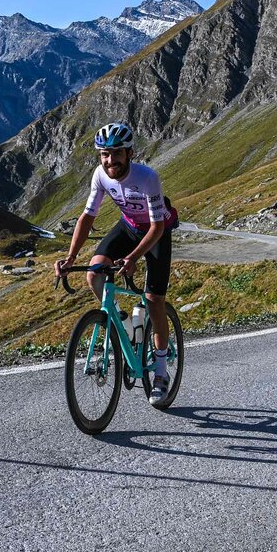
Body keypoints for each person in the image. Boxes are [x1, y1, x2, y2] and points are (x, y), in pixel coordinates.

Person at [55, 121, 177, 405]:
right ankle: (122, 322)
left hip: (156, 231)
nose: (110, 160)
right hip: (128, 226)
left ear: (130, 153)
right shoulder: (100, 175)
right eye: (104, 154)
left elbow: (157, 227)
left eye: (116, 153)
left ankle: (160, 371)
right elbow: (87, 218)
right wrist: (71, 257)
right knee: (94, 274)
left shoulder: (148, 178)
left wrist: (133, 257)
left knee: (154, 300)